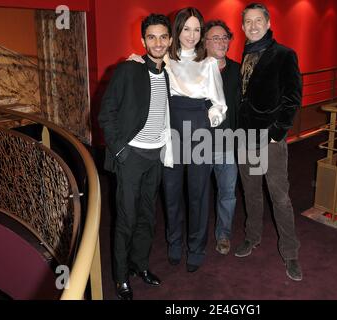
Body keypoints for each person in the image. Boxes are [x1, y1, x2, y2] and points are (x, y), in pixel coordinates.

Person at [129, 7, 227, 272]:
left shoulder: (208, 64)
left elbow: (220, 106)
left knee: (198, 194)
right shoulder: (167, 62)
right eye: (186, 29)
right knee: (171, 194)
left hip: (199, 131)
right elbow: (148, 70)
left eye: (197, 30)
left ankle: (196, 247)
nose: (192, 35)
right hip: (170, 132)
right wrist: (137, 61)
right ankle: (174, 243)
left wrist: (208, 121)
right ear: (177, 30)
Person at [98, 14, 173, 300]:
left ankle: (139, 265)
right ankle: (120, 278)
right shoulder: (128, 70)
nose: (157, 42)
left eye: (163, 37)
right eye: (151, 37)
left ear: (169, 40)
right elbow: (106, 113)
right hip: (131, 157)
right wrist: (120, 151)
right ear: (143, 41)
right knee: (126, 220)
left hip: (156, 157)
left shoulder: (170, 73)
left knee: (147, 218)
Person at [234, 3, 303, 281]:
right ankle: (252, 237)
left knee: (280, 197)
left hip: (269, 140)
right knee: (250, 193)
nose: (253, 25)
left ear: (268, 22)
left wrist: (277, 132)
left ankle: (291, 253)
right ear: (242, 27)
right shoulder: (245, 55)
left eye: (258, 20)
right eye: (248, 21)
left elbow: (293, 98)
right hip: (244, 137)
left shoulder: (284, 54)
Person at [204, 20, 241, 255]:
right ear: (205, 43)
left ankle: (223, 235)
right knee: (198, 195)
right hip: (201, 145)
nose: (221, 41)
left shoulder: (238, 70)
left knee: (227, 194)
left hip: (228, 146)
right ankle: (197, 238)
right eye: (215, 38)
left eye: (224, 37)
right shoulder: (196, 71)